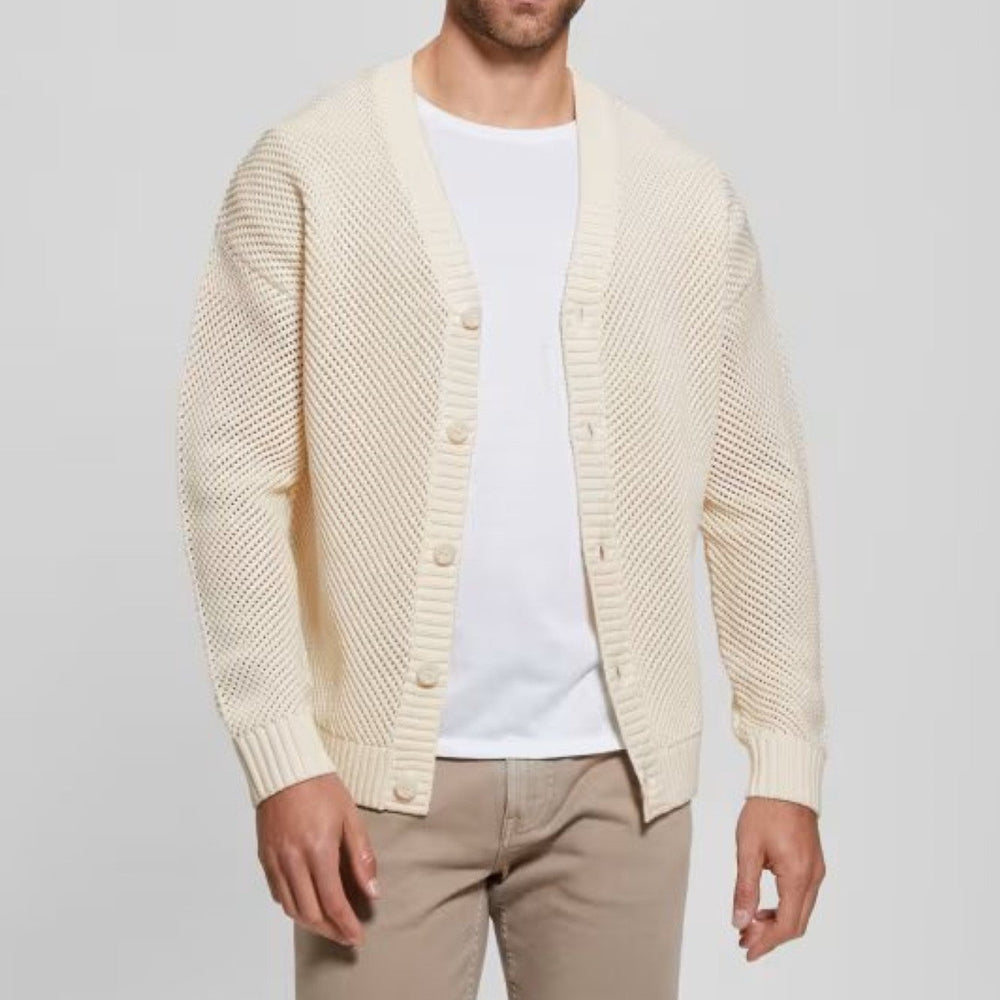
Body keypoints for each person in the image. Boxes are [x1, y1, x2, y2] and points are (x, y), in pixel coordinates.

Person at [175, 2, 827, 997]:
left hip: (619, 788)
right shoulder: (309, 168)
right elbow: (232, 475)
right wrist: (284, 757)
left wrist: (784, 763)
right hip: (376, 790)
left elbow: (755, 491)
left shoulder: (685, 196)